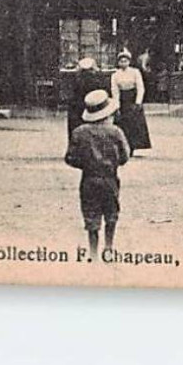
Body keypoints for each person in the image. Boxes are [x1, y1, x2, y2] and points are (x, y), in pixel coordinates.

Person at [65, 88, 131, 261]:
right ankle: (109, 248)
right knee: (111, 213)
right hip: (110, 178)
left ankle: (93, 253)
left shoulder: (79, 132)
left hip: (88, 179)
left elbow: (70, 158)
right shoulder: (116, 132)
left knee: (91, 216)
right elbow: (125, 156)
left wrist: (87, 164)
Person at [111, 49, 152, 155]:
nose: (123, 63)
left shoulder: (135, 72)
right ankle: (123, 147)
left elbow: (140, 87)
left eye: (125, 61)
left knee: (134, 124)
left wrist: (138, 102)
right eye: (121, 61)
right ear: (118, 63)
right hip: (123, 100)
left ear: (129, 62)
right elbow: (115, 91)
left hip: (133, 99)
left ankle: (133, 146)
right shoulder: (115, 75)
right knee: (122, 124)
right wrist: (117, 106)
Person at [67, 57, 107, 146]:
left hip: (77, 106)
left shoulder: (76, 79)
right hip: (92, 106)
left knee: (76, 128)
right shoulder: (96, 79)